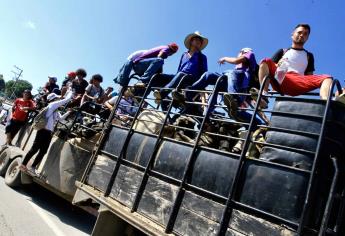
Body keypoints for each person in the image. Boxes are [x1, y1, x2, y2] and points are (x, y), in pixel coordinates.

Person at [257, 23, 332, 107]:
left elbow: (309, 76)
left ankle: (327, 105)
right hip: (282, 77)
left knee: (327, 78)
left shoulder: (309, 56)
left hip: (298, 82)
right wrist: (278, 67)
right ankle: (263, 96)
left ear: (307, 38)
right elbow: (269, 68)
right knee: (265, 61)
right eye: (299, 32)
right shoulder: (283, 51)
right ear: (292, 34)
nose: (302, 35)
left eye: (305, 34)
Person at [180, 48, 258, 120]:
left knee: (231, 73)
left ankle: (234, 98)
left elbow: (236, 61)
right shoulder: (236, 70)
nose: (238, 54)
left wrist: (225, 58)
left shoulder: (249, 53)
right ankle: (189, 93)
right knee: (209, 75)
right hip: (228, 81)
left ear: (242, 52)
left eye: (239, 53)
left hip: (239, 85)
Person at [21, 91, 73, 174]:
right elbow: (67, 99)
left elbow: (60, 119)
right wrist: (71, 91)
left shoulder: (55, 110)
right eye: (57, 98)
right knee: (34, 149)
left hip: (49, 133)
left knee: (43, 151)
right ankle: (23, 164)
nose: (59, 99)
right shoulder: (51, 106)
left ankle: (33, 167)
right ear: (53, 100)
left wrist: (68, 112)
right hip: (42, 131)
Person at [153, 31, 208, 108]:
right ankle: (140, 93)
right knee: (159, 77)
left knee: (181, 75)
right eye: (196, 39)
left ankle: (162, 93)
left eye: (200, 41)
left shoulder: (202, 57)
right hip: (180, 76)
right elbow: (179, 69)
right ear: (191, 41)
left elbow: (204, 73)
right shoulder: (184, 54)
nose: (198, 42)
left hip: (192, 79)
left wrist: (200, 85)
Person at [114, 43, 179, 87]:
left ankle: (138, 92)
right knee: (160, 61)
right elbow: (160, 57)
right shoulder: (166, 48)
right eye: (172, 53)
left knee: (156, 77)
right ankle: (142, 80)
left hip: (142, 67)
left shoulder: (160, 49)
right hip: (138, 65)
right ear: (172, 51)